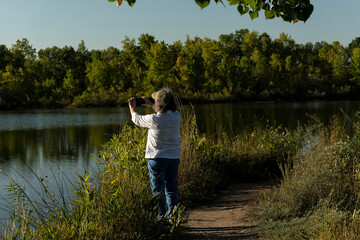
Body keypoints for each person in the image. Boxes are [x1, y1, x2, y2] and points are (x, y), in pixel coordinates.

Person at [128, 87, 181, 219]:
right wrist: (151, 105)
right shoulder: (176, 116)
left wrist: (132, 107)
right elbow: (164, 113)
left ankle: (160, 218)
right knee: (171, 188)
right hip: (173, 157)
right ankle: (173, 218)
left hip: (156, 159)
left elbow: (136, 119)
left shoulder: (153, 119)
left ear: (160, 104)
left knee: (158, 191)